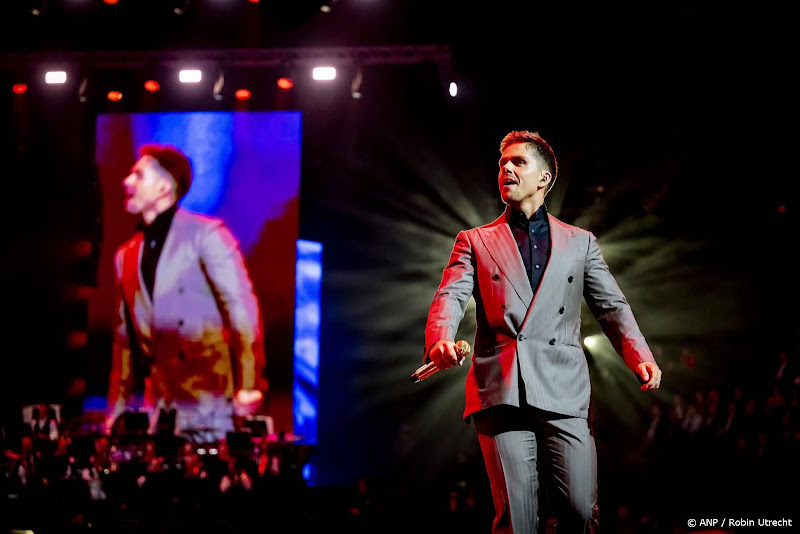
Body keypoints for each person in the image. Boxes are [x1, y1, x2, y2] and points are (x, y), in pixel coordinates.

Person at [423, 130, 662, 533]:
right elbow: (450, 294)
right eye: (502, 164)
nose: (506, 169)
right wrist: (439, 341)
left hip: (563, 388)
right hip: (501, 389)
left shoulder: (580, 243)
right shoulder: (475, 240)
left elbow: (611, 306)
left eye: (518, 162)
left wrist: (640, 355)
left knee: (582, 512)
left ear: (544, 179)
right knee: (517, 520)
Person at [105, 144, 267, 441]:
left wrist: (248, 384)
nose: (126, 182)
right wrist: (116, 413)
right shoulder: (125, 255)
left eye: (138, 175)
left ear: (165, 187)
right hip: (161, 411)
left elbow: (241, 309)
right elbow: (124, 343)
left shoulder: (206, 235)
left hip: (210, 407)